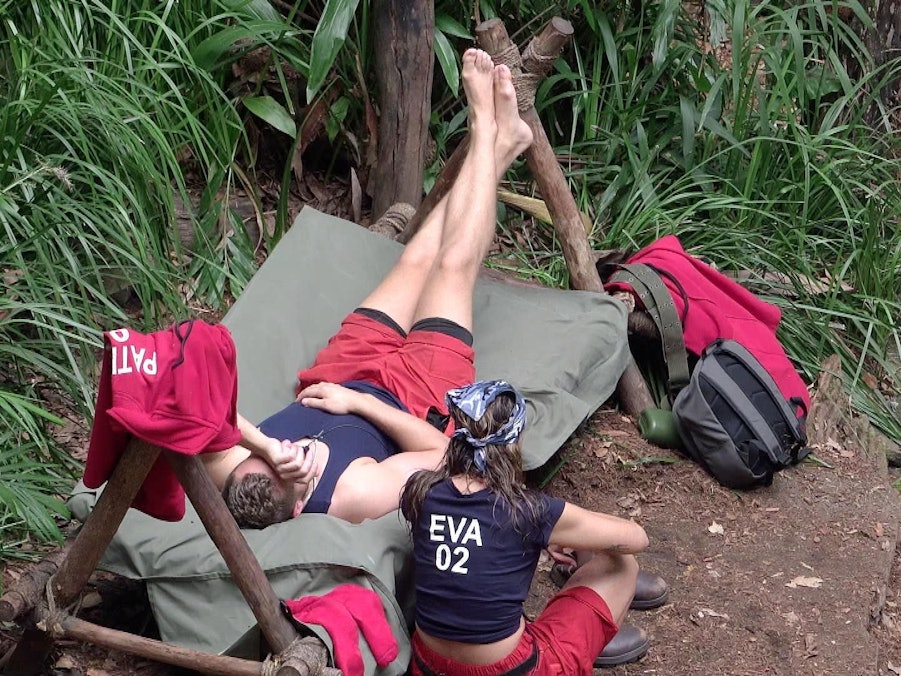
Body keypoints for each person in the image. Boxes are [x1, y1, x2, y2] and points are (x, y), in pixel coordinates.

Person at [201, 48, 534, 528]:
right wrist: (360, 404)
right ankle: (486, 131)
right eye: (292, 469)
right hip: (412, 396)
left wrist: (262, 444)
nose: (288, 454)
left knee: (418, 258)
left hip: (337, 371)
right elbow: (449, 454)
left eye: (275, 455)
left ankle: (502, 148)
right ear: (299, 506)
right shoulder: (351, 494)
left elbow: (185, 408)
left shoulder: (234, 470)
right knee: (454, 266)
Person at [400, 379, 649, 675]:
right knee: (624, 564)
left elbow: (478, 537)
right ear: (513, 442)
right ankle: (594, 639)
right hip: (511, 669)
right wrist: (567, 535)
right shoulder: (528, 511)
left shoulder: (421, 491)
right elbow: (636, 538)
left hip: (428, 664)